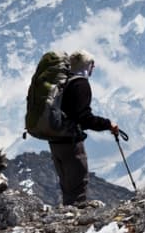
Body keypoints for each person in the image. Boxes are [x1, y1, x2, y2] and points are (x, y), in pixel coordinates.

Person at [48, 50, 119, 207]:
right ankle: (73, 226)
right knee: (77, 188)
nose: (93, 69)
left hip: (54, 141)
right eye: (92, 65)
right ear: (87, 65)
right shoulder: (80, 84)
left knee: (67, 187)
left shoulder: (62, 82)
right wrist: (108, 124)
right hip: (70, 143)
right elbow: (84, 119)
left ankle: (66, 220)